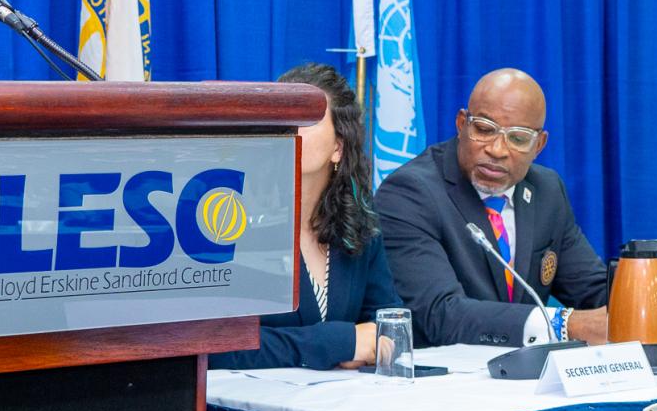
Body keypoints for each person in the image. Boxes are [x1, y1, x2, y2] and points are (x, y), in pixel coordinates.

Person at [375, 68, 609, 348]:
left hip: (525, 377)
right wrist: (565, 326)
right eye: (485, 130)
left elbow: (591, 288)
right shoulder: (410, 192)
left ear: (539, 145)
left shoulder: (546, 190)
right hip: (443, 379)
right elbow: (440, 315)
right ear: (462, 124)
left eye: (518, 138)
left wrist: (652, 305)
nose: (498, 150)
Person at [210, 63, 396, 369]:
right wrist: (340, 344)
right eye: (280, 118)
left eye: (306, 119)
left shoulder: (358, 222)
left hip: (335, 407)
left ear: (338, 147)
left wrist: (374, 345)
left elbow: (390, 325)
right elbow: (217, 346)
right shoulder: (230, 220)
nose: (289, 129)